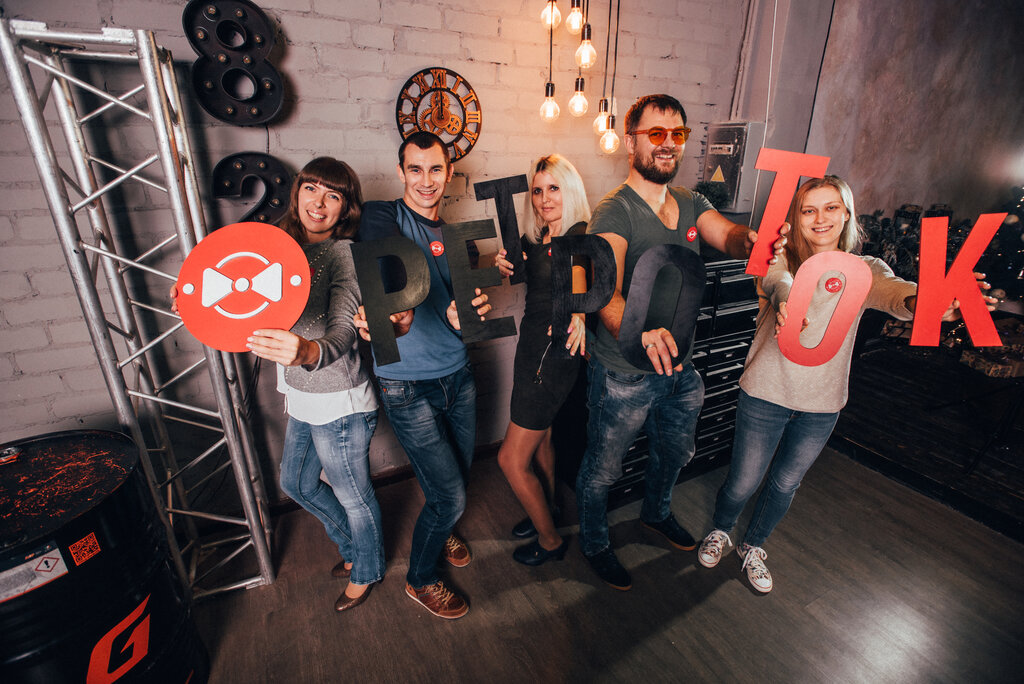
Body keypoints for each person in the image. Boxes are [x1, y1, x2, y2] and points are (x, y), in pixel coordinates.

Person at [696, 175, 997, 593]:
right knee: (744, 481)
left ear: (847, 214)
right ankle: (722, 529)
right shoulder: (778, 255)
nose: (820, 218)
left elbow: (899, 296)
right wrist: (787, 301)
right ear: (796, 218)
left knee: (785, 484)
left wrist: (934, 305)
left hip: (821, 405)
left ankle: (753, 545)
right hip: (765, 392)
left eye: (831, 208)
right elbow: (777, 282)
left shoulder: (866, 269)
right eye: (809, 210)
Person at [577, 93, 784, 591]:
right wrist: (637, 330)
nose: (668, 143)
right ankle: (595, 541)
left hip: (679, 370)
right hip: (624, 374)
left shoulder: (691, 202)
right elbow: (605, 292)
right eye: (656, 133)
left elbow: (727, 235)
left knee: (674, 453)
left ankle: (655, 513)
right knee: (603, 470)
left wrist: (751, 240)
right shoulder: (614, 212)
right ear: (631, 142)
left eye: (678, 134)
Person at [353, 131, 492, 620]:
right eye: (415, 169)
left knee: (457, 477)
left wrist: (465, 316)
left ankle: (444, 525)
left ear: (449, 174)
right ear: (401, 172)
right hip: (406, 384)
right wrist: (391, 311)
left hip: (459, 376)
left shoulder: (460, 242)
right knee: (450, 493)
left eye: (435, 169)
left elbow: (465, 314)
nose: (426, 180)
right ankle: (421, 578)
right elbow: (382, 263)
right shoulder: (382, 218)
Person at [245, 157, 385, 612]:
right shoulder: (279, 246)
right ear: (297, 192)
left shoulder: (343, 254)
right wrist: (196, 298)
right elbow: (237, 295)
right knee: (297, 483)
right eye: (312, 189)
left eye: (333, 195)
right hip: (303, 396)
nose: (319, 203)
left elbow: (343, 332)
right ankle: (356, 548)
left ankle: (367, 568)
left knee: (354, 496)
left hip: (339, 402)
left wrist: (307, 352)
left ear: (346, 208)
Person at [494, 154, 590, 565]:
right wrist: (503, 263)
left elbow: (584, 283)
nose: (545, 198)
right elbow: (522, 274)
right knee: (543, 438)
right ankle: (547, 510)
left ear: (570, 190)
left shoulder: (579, 237)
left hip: (552, 354)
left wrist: (581, 314)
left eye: (554, 188)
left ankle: (550, 541)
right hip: (531, 346)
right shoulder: (538, 239)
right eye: (537, 190)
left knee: (510, 459)